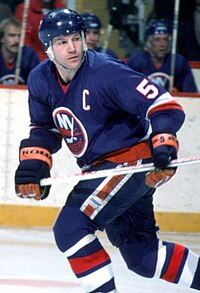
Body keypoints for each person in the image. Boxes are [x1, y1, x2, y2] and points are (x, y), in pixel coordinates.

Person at [14, 8, 200, 293]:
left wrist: (164, 139)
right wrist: (35, 162)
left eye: (76, 38)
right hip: (99, 169)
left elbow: (163, 103)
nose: (73, 47)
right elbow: (44, 127)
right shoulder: (40, 79)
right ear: (48, 48)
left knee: (70, 228)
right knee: (143, 256)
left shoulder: (105, 71)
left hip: (131, 162)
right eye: (62, 42)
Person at [127, 19, 198, 93]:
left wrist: (178, 91)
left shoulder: (178, 62)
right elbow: (127, 90)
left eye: (165, 39)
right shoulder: (136, 61)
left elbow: (191, 94)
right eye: (157, 40)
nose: (162, 44)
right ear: (149, 42)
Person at [0, 16, 40, 84]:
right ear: (1, 38)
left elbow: (37, 85)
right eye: (12, 35)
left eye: (20, 36)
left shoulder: (29, 55)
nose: (17, 41)